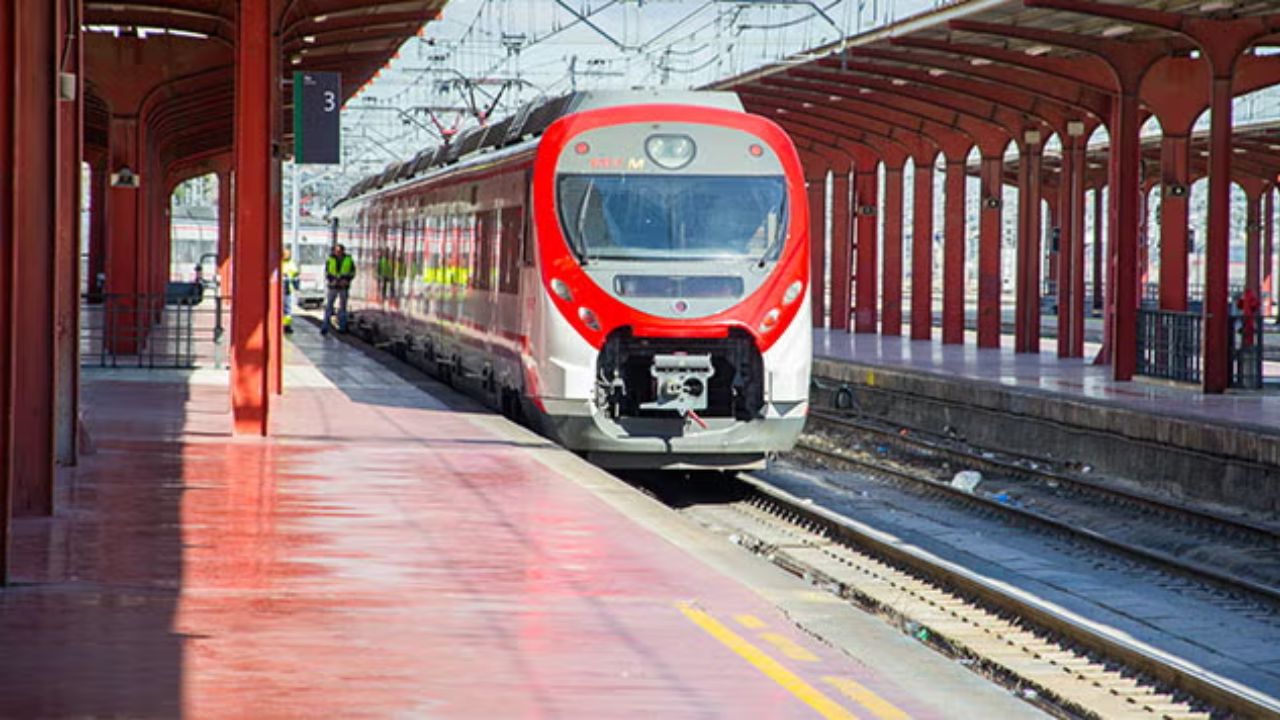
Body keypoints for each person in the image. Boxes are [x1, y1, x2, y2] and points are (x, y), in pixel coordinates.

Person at [322, 243, 356, 335]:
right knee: (329, 306)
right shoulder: (330, 260)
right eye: (336, 251)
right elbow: (327, 272)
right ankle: (325, 326)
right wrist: (331, 280)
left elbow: (352, 272)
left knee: (343, 307)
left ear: (343, 251)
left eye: (339, 251)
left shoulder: (349, 260)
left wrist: (346, 280)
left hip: (343, 286)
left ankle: (342, 327)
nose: (337, 252)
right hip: (333, 286)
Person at [281, 248, 300, 335]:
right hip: (280, 289)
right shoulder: (278, 263)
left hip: (287, 289)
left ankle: (286, 325)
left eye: (288, 254)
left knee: (287, 310)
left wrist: (297, 288)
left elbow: (296, 276)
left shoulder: (292, 264)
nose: (287, 255)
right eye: (285, 254)